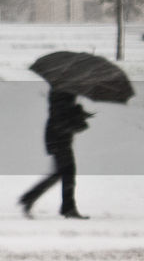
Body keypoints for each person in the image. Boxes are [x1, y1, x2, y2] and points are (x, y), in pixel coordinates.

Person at [19, 89, 94, 219]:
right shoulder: (62, 93)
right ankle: (67, 208)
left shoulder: (61, 91)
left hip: (58, 138)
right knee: (67, 173)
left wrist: (79, 112)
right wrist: (78, 118)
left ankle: (31, 198)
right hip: (59, 139)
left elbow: (62, 114)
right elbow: (62, 118)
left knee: (61, 173)